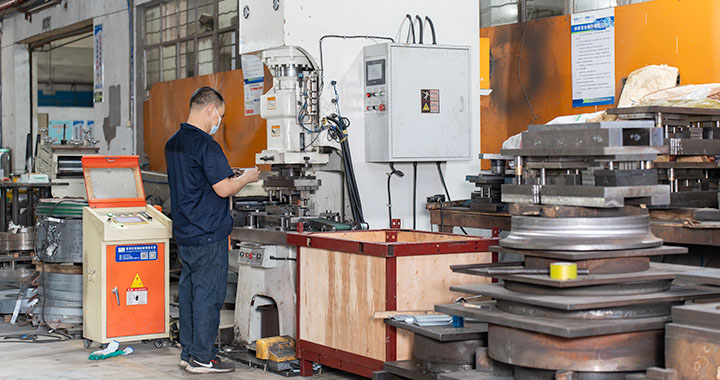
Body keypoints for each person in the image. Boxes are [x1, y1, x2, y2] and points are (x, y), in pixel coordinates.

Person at [165, 87, 260, 373]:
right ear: (210, 110)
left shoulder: (174, 142)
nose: (219, 120)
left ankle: (190, 352)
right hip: (207, 233)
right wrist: (246, 177)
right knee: (208, 295)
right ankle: (203, 358)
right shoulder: (206, 145)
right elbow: (223, 188)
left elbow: (197, 179)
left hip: (185, 232)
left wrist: (227, 174)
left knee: (192, 292)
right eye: (220, 114)